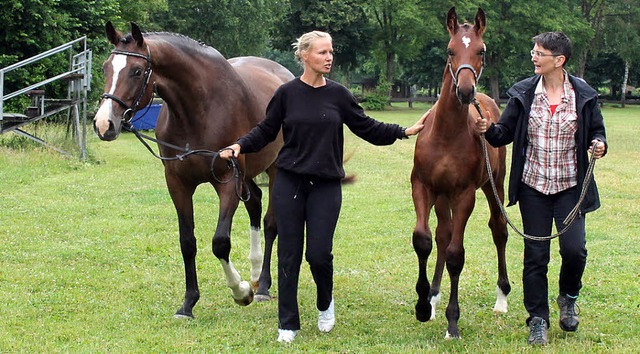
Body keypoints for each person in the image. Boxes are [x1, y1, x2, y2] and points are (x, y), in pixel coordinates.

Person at [219, 30, 426, 343]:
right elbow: (265, 130)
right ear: (304, 55)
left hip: (326, 184)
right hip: (289, 180)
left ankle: (324, 302)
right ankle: (287, 323)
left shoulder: (338, 95)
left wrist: (403, 131)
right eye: (322, 53)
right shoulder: (286, 94)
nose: (329, 58)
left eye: (331, 52)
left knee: (318, 254)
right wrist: (239, 146)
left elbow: (367, 126)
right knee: (288, 254)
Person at [475, 32, 607, 346]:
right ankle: (538, 320)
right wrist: (488, 130)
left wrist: (599, 144)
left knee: (574, 250)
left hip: (570, 187)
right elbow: (504, 132)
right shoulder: (523, 93)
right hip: (533, 185)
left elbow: (598, 131)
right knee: (536, 256)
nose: (534, 57)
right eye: (533, 51)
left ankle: (568, 297)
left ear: (558, 60)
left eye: (540, 53)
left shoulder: (584, 94)